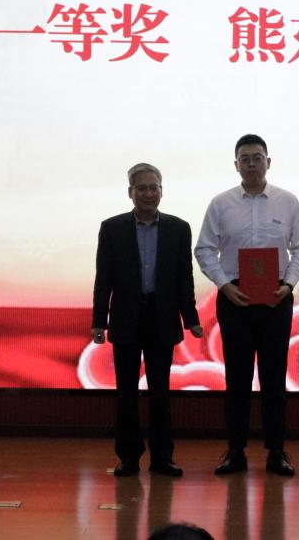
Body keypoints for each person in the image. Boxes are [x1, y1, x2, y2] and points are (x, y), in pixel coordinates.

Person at [195, 134, 299, 477]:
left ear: (268, 162)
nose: (251, 163)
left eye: (257, 157)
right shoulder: (221, 204)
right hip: (235, 299)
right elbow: (204, 249)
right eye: (244, 158)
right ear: (236, 165)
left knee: (274, 379)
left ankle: (277, 452)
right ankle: (235, 452)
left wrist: (288, 284)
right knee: (237, 378)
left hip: (276, 299)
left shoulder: (288, 202)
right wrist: (224, 285)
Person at [92, 163, 203, 478]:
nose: (148, 193)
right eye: (142, 188)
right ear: (130, 192)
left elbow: (184, 278)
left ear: (161, 191)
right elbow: (104, 278)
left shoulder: (178, 228)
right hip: (126, 317)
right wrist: (99, 321)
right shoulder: (112, 228)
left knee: (161, 392)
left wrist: (191, 318)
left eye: (154, 187)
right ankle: (128, 457)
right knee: (126, 392)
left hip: (161, 317)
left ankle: (162, 458)